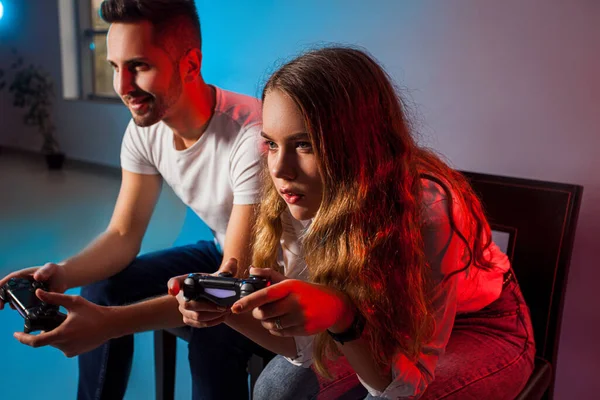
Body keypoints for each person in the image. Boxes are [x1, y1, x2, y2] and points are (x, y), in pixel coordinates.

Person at [171, 46, 536, 399]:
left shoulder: (427, 211)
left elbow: (398, 388)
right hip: (371, 318)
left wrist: (342, 315)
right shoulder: (295, 193)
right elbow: (302, 347)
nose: (280, 170)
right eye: (271, 144)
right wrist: (227, 312)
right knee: (275, 390)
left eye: (305, 145)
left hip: (479, 325)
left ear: (357, 145)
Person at [0, 1, 266, 399]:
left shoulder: (251, 136)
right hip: (222, 251)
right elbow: (123, 233)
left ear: (191, 64)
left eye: (138, 66)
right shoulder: (147, 128)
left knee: (212, 334)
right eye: (114, 67)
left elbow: (230, 284)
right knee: (102, 287)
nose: (122, 87)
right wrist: (62, 273)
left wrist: (109, 323)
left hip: (271, 274)